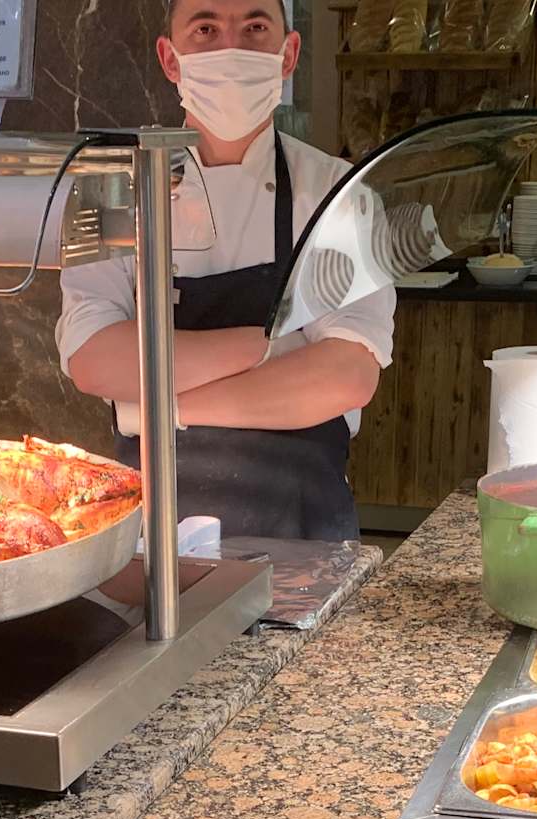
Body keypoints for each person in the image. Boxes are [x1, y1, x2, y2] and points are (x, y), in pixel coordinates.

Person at [54, 0, 395, 542]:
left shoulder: (340, 193)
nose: (231, 47)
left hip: (302, 526)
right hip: (155, 533)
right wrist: (273, 345)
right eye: (206, 28)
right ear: (170, 59)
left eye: (255, 27)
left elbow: (347, 375)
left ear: (289, 54)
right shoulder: (110, 187)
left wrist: (153, 406)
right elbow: (93, 359)